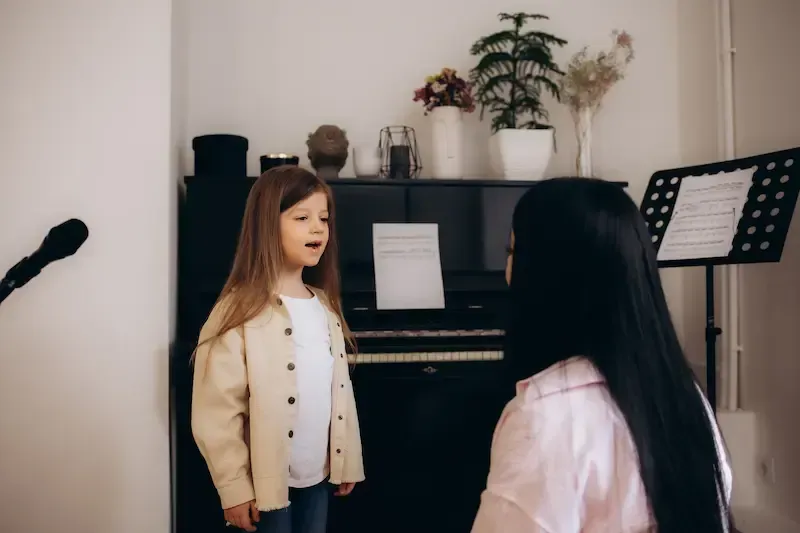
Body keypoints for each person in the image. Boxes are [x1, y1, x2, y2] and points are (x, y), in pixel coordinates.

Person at [472, 177, 733, 533]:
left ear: (547, 277)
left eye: (512, 252)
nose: (507, 270)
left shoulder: (543, 417)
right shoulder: (688, 397)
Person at [191, 166, 364, 533]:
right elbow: (216, 410)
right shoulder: (238, 310)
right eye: (302, 217)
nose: (318, 228)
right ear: (267, 226)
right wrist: (234, 488)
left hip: (316, 476)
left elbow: (340, 394)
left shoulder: (325, 306)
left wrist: (347, 458)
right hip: (266, 485)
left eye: (323, 218)